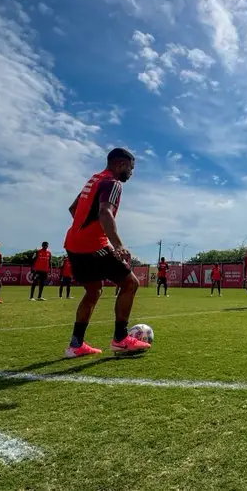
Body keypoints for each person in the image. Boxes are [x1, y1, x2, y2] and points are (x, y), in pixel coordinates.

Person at [63, 148, 149, 358]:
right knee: (130, 283)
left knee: (93, 291)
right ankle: (121, 339)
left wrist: (83, 229)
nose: (131, 173)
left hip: (73, 244)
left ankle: (76, 345)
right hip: (94, 246)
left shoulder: (94, 180)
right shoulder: (112, 183)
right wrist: (117, 244)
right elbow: (105, 211)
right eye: (131, 167)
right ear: (120, 164)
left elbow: (73, 209)